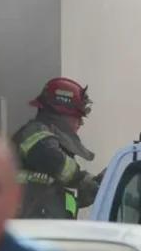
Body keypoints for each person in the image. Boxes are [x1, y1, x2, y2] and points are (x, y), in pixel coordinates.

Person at [12, 77, 101, 219]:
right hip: (28, 231)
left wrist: (96, 186)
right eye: (77, 117)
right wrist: (84, 179)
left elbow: (63, 194)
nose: (80, 123)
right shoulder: (34, 133)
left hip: (51, 232)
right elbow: (53, 161)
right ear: (62, 115)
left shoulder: (54, 145)